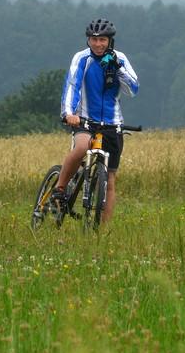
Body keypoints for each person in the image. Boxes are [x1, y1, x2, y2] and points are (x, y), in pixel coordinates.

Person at [53, 18, 139, 223]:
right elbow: (72, 86)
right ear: (88, 40)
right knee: (82, 147)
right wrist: (68, 113)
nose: (98, 44)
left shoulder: (120, 58)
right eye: (94, 39)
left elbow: (133, 89)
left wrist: (117, 68)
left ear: (110, 41)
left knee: (109, 179)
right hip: (84, 120)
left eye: (102, 40)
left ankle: (103, 231)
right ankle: (60, 188)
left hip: (112, 123)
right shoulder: (82, 58)